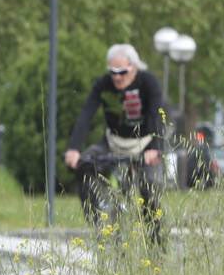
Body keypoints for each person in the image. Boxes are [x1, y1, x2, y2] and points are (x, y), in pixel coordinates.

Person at [64, 43, 164, 238]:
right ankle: (100, 223)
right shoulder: (103, 85)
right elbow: (86, 114)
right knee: (84, 165)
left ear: (133, 67)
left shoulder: (148, 82)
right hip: (113, 143)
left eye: (122, 71)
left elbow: (156, 115)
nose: (117, 77)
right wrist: (74, 148)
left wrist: (155, 148)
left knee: (149, 186)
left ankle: (154, 239)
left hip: (144, 144)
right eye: (113, 72)